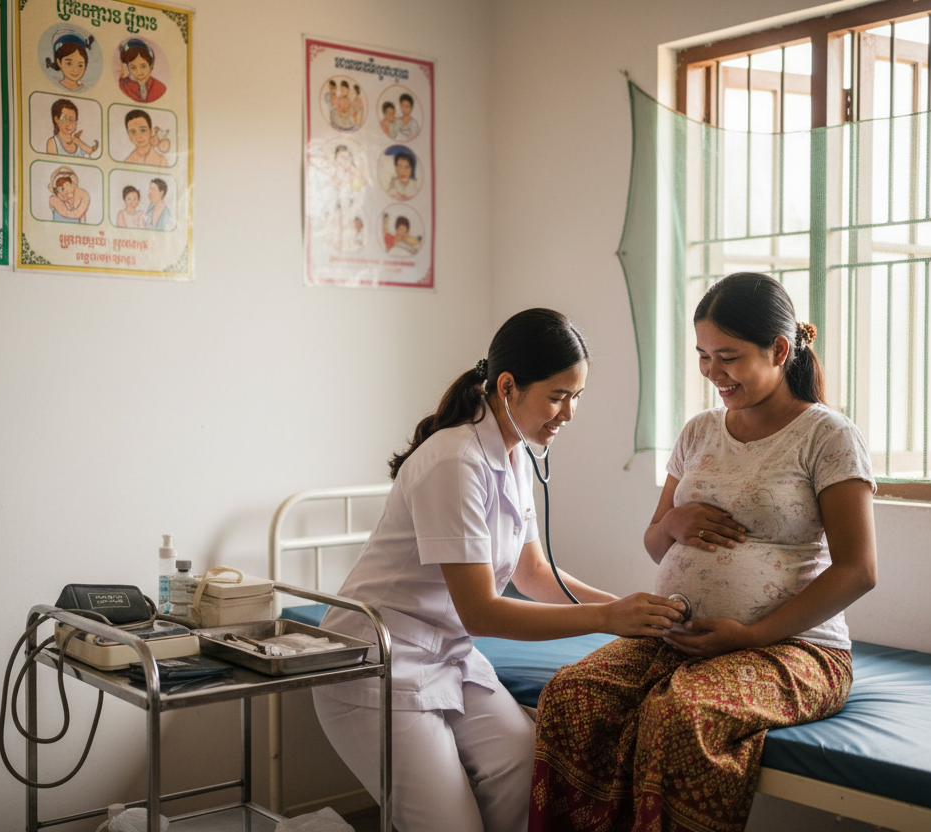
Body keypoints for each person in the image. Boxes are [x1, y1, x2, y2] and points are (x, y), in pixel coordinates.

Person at [529, 272, 878, 832]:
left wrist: (751, 635)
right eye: (702, 356)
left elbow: (859, 571)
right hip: (676, 637)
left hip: (791, 649)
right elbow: (652, 542)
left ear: (779, 350)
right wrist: (673, 520)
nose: (713, 372)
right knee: (571, 695)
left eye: (728, 357)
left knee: (678, 716)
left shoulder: (827, 436)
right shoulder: (698, 432)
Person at [312, 309, 682, 832]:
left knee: (523, 777)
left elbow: (533, 573)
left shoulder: (514, 455)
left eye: (577, 396)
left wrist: (633, 612)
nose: (569, 414)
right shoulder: (453, 461)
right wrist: (607, 619)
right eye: (558, 396)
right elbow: (483, 611)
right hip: (378, 666)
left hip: (451, 657)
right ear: (507, 387)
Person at [117, 38, 165, 103]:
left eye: (143, 66)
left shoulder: (160, 87)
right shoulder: (123, 86)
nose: (139, 72)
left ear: (151, 66)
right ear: (128, 68)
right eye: (133, 68)